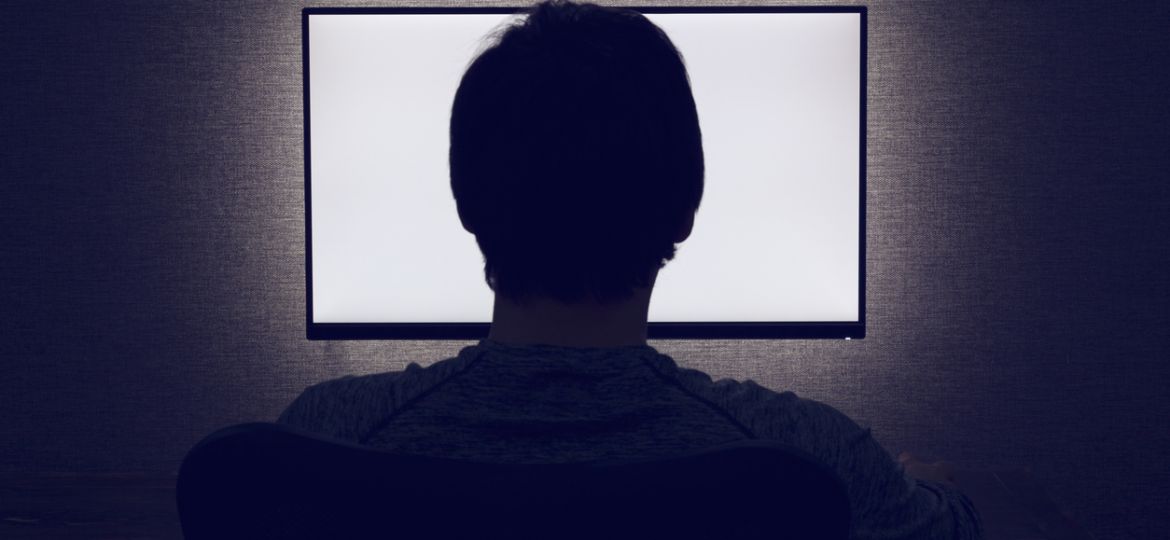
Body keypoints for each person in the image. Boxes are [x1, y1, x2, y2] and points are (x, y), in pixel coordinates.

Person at [278, 1, 982, 537]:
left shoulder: (323, 439)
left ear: (465, 202)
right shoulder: (810, 461)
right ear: (686, 207)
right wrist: (928, 489)